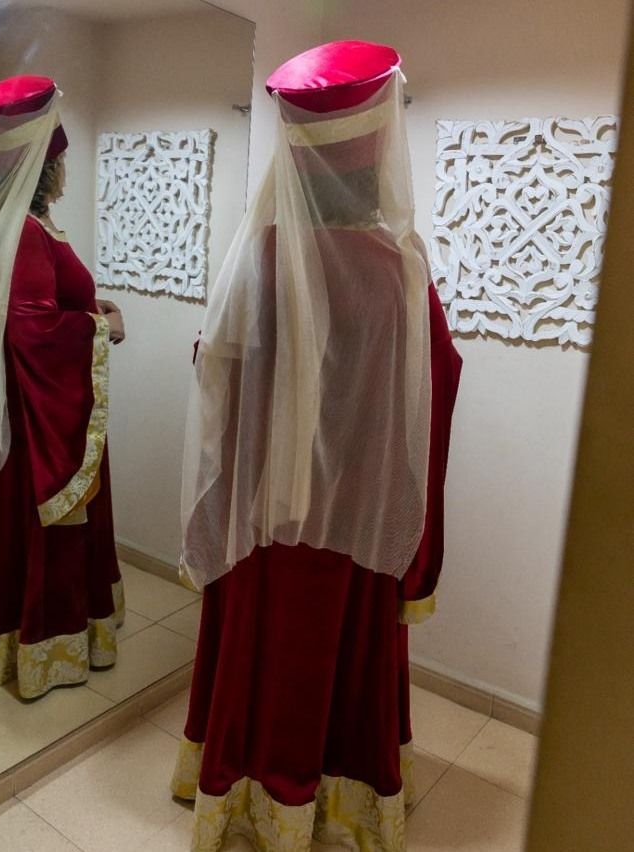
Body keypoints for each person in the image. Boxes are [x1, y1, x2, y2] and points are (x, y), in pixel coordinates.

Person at [171, 41, 463, 851]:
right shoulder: (398, 272)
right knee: (332, 660)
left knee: (257, 650)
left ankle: (236, 783)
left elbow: (214, 374)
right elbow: (434, 384)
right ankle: (334, 798)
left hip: (263, 515)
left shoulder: (253, 260)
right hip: (355, 522)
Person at [0, 75, 125, 700]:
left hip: (33, 410)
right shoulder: (25, 234)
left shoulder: (21, 225)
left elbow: (40, 302)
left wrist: (88, 304)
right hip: (40, 424)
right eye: (59, 160)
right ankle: (43, 643)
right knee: (49, 535)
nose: (64, 172)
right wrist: (100, 326)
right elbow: (33, 331)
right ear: (42, 165)